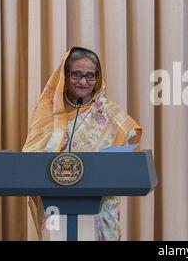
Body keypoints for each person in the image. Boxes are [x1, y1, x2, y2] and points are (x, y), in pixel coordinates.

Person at [23, 46, 142, 241]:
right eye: (76, 75)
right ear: (65, 75)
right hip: (56, 199)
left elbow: (128, 137)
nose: (84, 81)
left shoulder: (109, 112)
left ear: (98, 78)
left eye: (90, 76)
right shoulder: (48, 112)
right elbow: (32, 154)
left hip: (100, 205)